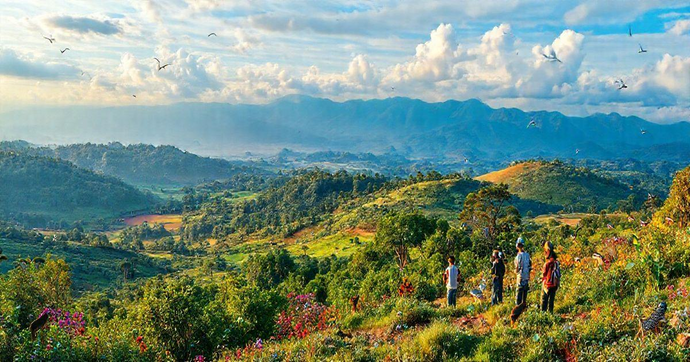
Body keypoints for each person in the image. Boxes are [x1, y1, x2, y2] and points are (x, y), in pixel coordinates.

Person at [541, 241, 560, 313]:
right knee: (551, 301)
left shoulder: (548, 263)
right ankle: (550, 314)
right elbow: (558, 274)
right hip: (554, 284)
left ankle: (543, 316)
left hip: (547, 284)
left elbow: (544, 273)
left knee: (544, 301)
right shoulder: (556, 262)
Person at [514, 237, 531, 305]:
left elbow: (517, 268)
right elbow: (530, 265)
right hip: (526, 277)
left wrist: (515, 271)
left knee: (518, 295)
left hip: (520, 277)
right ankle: (523, 308)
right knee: (524, 295)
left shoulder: (518, 256)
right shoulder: (527, 255)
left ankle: (517, 309)